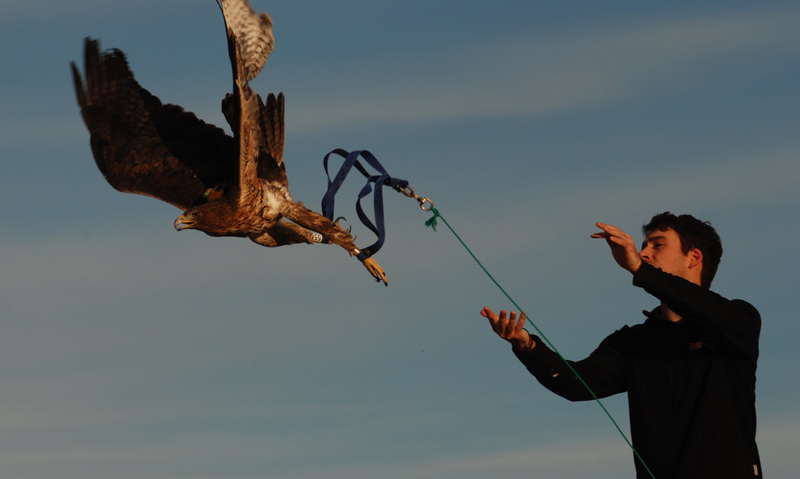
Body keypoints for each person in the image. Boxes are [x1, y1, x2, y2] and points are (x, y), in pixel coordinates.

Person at [481, 212, 761, 479]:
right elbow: (576, 383)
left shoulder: (737, 321)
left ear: (693, 258)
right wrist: (526, 344)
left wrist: (639, 270)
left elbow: (708, 309)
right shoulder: (633, 341)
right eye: (643, 246)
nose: (644, 253)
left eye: (657, 245)